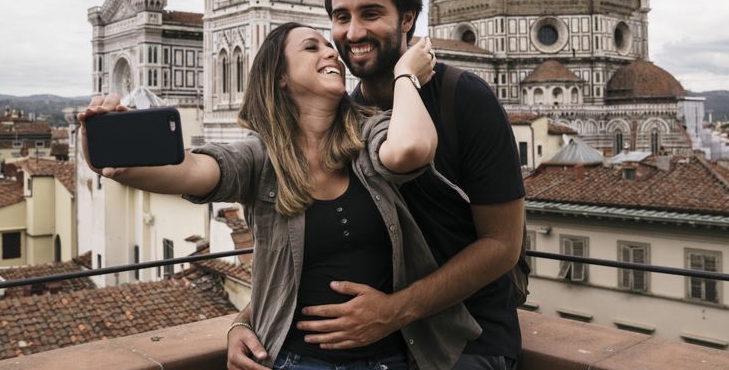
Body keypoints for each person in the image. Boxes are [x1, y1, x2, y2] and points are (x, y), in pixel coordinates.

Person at [78, 22, 480, 370]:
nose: (332, 53)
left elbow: (411, 149)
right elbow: (189, 170)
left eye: (329, 46)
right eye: (312, 47)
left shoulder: (368, 133)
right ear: (280, 78)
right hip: (292, 361)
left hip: (390, 358)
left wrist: (405, 74)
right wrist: (100, 149)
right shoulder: (259, 158)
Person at [228, 0, 525, 370]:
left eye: (370, 14)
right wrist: (244, 321)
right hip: (384, 347)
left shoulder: (465, 99)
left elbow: (502, 246)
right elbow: (310, 248)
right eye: (341, 17)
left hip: (469, 343)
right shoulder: (344, 119)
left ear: (406, 19)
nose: (352, 33)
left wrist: (392, 312)